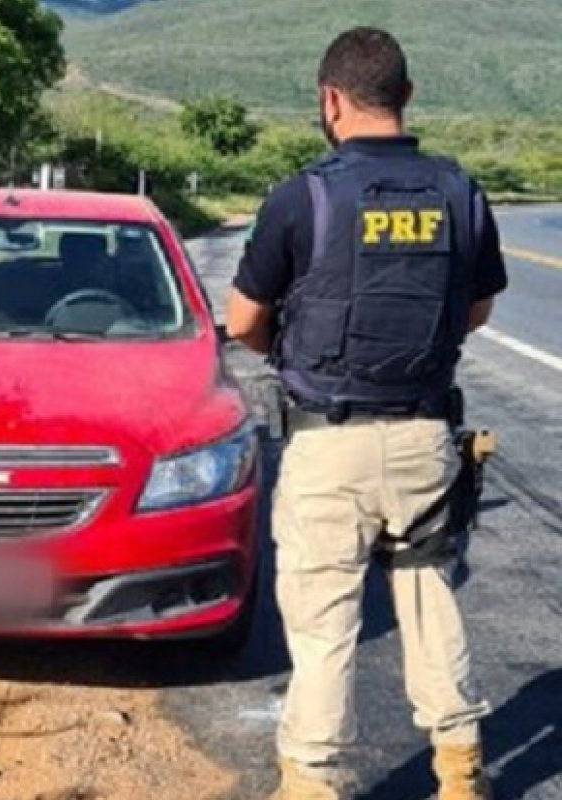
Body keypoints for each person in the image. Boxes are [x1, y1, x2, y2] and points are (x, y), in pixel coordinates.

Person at [226, 28, 508, 800]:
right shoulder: (459, 192)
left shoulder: (300, 197)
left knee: (323, 625)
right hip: (424, 440)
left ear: (330, 101)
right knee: (429, 601)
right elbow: (477, 307)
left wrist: (298, 353)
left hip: (327, 444)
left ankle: (313, 783)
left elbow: (244, 319)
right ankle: (460, 773)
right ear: (406, 98)